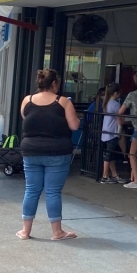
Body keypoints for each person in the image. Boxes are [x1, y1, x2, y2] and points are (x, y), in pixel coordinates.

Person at [18, 69, 80, 241]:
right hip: (57, 152)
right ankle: (57, 232)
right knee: (52, 192)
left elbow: (25, 117)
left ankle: (25, 231)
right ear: (54, 84)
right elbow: (74, 126)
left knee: (31, 190)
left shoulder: (27, 100)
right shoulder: (64, 103)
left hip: (30, 150)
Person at [119, 72, 137, 188]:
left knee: (132, 154)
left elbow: (120, 112)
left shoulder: (132, 95)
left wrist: (121, 121)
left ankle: (136, 180)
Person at [100, 84, 126, 183]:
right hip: (112, 131)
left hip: (105, 131)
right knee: (109, 155)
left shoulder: (106, 103)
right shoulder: (116, 104)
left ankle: (114, 174)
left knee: (109, 154)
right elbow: (120, 119)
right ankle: (105, 176)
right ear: (116, 93)